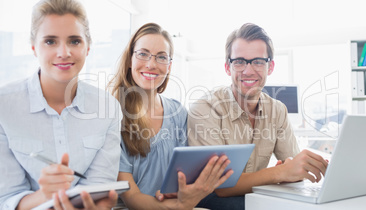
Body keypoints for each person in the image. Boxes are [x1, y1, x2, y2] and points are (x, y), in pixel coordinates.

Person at [187, 23, 329, 210]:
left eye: (258, 61)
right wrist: (280, 172)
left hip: (252, 193)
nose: (248, 70)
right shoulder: (205, 108)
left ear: (270, 67)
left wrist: (301, 166)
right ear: (227, 68)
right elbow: (220, 186)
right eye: (239, 61)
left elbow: (293, 166)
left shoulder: (277, 110)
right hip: (210, 197)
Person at [0, 0, 121, 209]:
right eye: (50, 41)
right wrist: (46, 194)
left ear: (88, 47)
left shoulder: (107, 108)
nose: (64, 52)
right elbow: (6, 199)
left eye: (75, 41)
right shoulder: (4, 106)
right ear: (33, 48)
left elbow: (100, 188)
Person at [110, 22, 233, 209]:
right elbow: (131, 196)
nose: (151, 64)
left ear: (169, 66)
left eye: (161, 57)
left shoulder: (178, 112)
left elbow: (186, 174)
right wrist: (177, 206)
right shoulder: (113, 114)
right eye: (143, 54)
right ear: (130, 60)